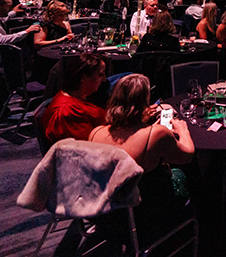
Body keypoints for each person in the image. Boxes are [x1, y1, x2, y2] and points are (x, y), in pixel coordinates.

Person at [89, 75, 194, 240]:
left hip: (107, 214)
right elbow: (188, 155)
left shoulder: (95, 133)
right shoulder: (157, 133)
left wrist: (144, 124)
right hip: (146, 214)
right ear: (144, 102)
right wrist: (182, 129)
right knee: (184, 173)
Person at [41, 53, 107, 143]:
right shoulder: (68, 112)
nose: (104, 79)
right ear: (83, 77)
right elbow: (86, 146)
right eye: (100, 75)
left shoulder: (80, 97)